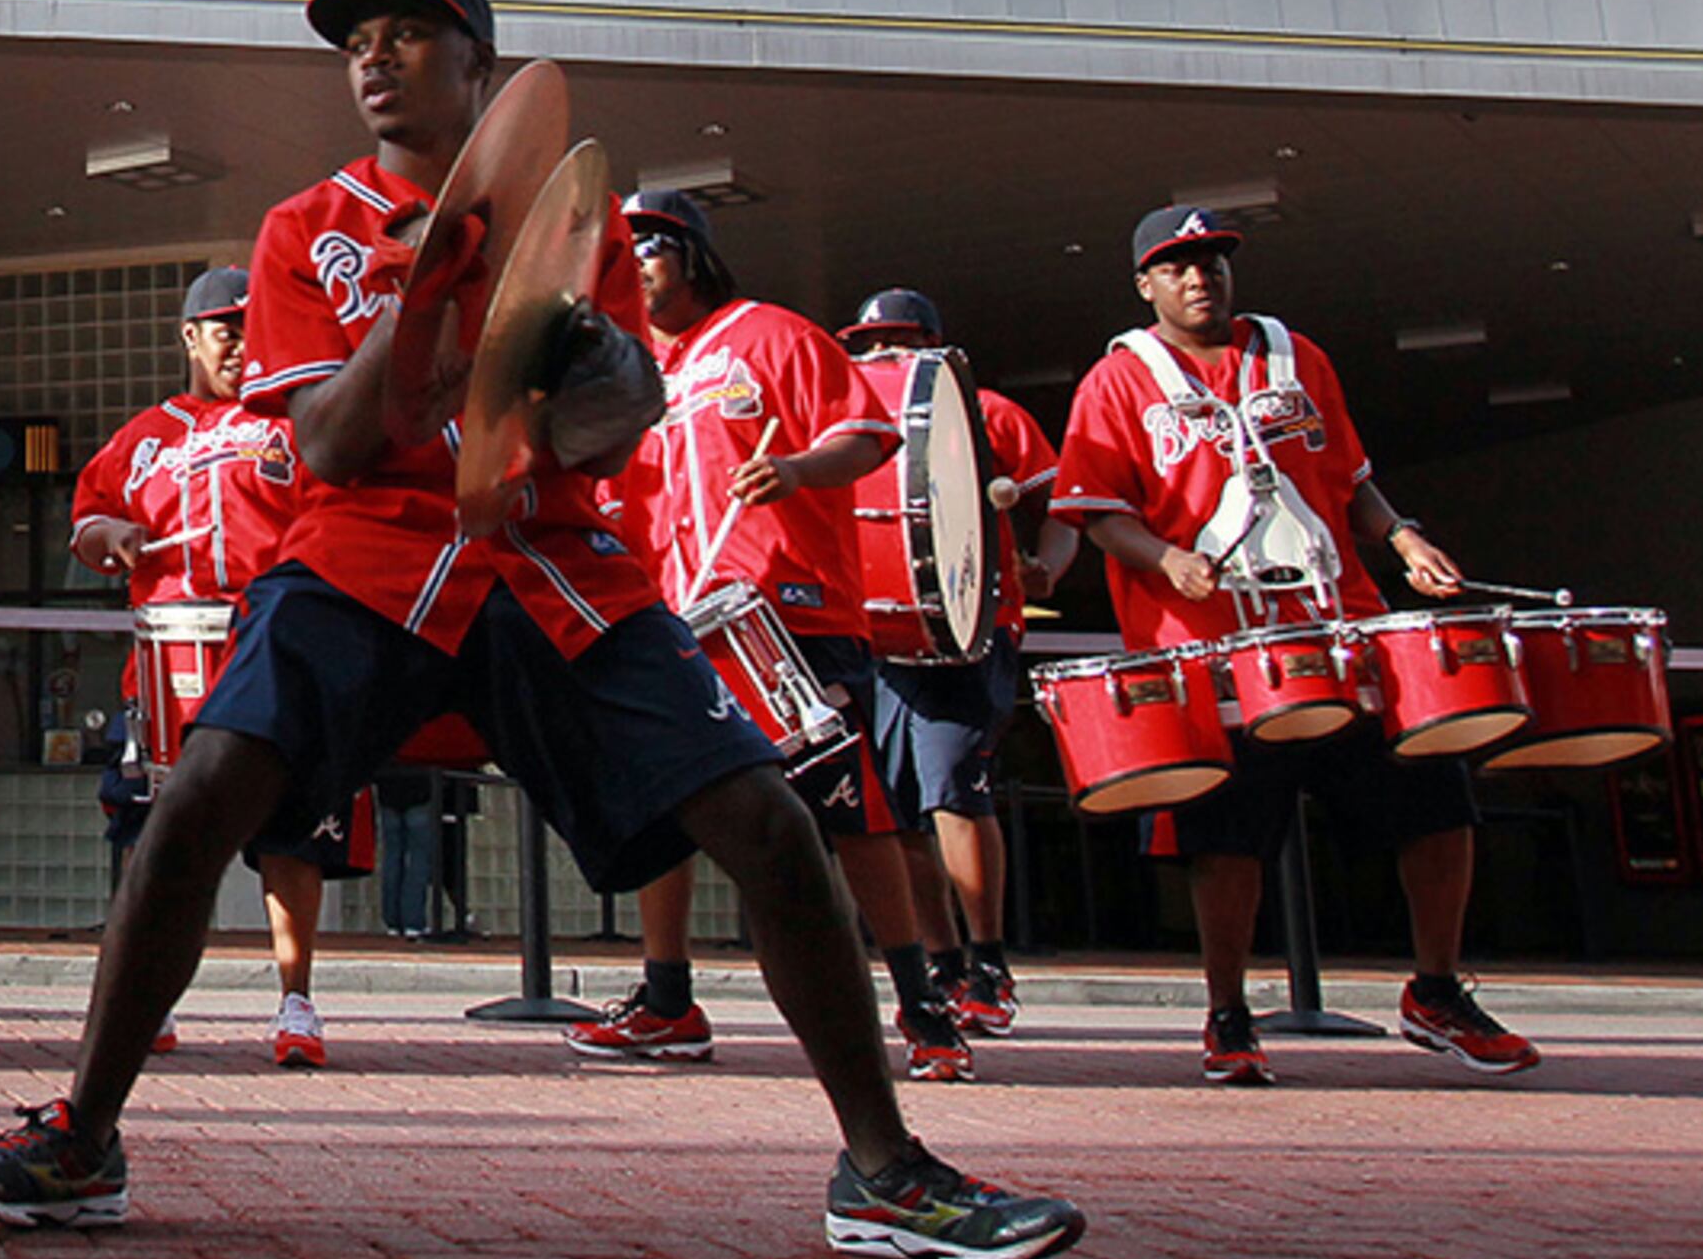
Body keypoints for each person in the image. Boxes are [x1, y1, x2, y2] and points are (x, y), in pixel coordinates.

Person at [0, 0, 1084, 1259]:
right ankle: (85, 1137)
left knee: (763, 817)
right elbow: (335, 447)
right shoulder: (307, 230)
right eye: (358, 39)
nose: (375, 57)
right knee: (196, 801)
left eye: (410, 34)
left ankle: (884, 1168)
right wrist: (427, 304)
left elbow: (617, 425)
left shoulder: (575, 226)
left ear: (476, 60)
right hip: (358, 567)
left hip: (556, 566)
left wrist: (567, 339)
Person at [1050, 204, 1538, 1085]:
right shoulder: (1117, 382)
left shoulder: (1296, 356)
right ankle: (1228, 1014)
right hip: (1214, 648)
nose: (1200, 277)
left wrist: (1403, 537)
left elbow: (1351, 479)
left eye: (1213, 260)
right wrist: (1167, 559)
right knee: (1229, 836)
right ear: (1145, 283)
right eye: (1178, 264)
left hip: (1335, 631)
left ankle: (1435, 991)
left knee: (1437, 793)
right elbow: (1093, 510)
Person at [572, 194, 978, 1086]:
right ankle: (668, 998)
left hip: (793, 614)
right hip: (676, 620)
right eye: (619, 250)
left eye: (650, 245)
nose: (634, 262)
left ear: (692, 253)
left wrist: (794, 469)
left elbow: (865, 435)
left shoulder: (774, 334)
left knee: (852, 816)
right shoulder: (629, 375)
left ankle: (920, 1002)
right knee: (667, 812)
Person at [71, 263, 350, 1069]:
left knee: (291, 832)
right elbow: (87, 519)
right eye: (226, 329)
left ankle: (297, 1001)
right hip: (166, 662)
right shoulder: (145, 433)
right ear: (190, 335)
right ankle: (149, 999)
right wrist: (113, 535)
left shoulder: (293, 419)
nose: (241, 346)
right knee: (151, 831)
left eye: (252, 328)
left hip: (272, 646)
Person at [841, 289, 1074, 1035]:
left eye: (902, 340)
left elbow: (1061, 505)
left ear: (937, 345)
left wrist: (1047, 566)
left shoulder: (991, 413)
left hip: (967, 627)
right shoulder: (841, 415)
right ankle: (941, 962)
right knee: (895, 806)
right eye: (872, 343)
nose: (884, 356)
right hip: (871, 635)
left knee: (953, 789)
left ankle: (989, 962)